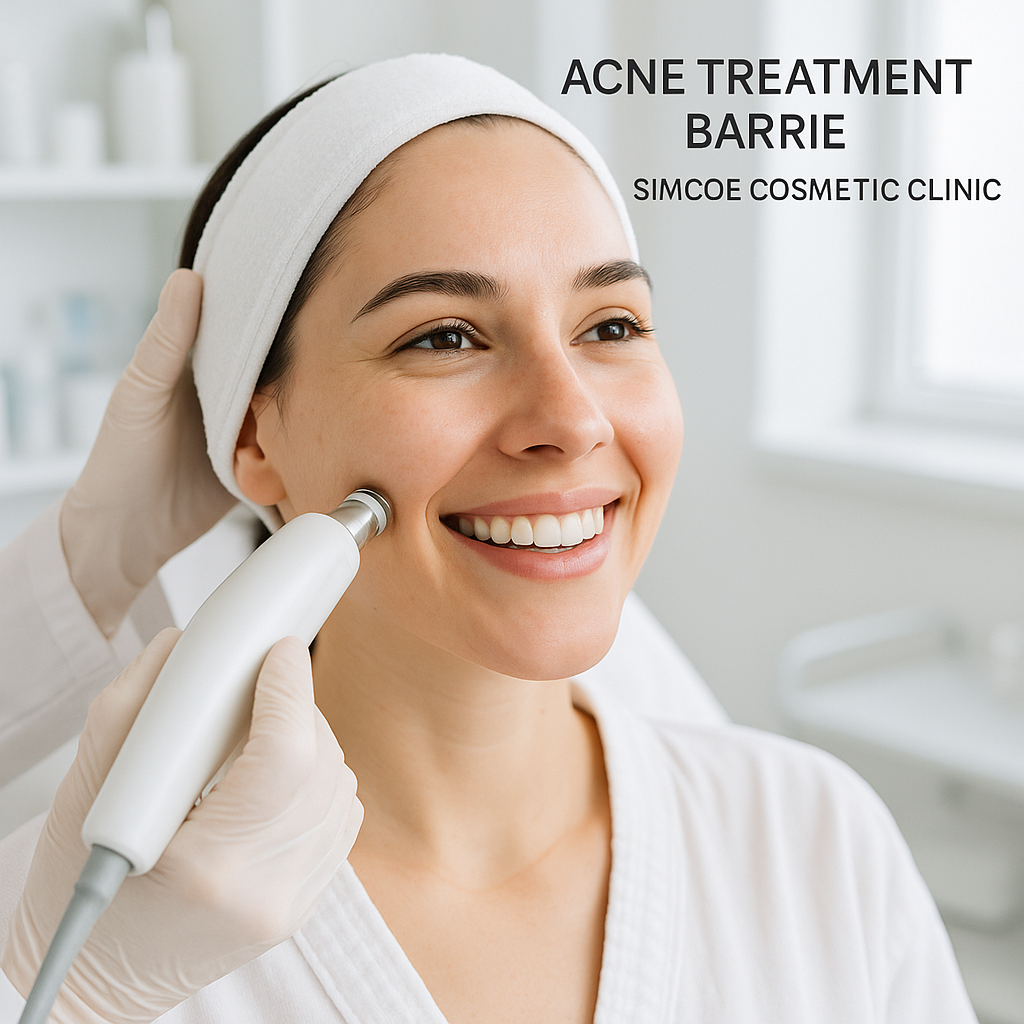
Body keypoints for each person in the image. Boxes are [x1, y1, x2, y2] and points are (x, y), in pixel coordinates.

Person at [0, 55, 977, 1023]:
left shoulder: (815, 841)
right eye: (444, 337)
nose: (572, 418)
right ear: (254, 438)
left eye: (610, 325)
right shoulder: (90, 922)